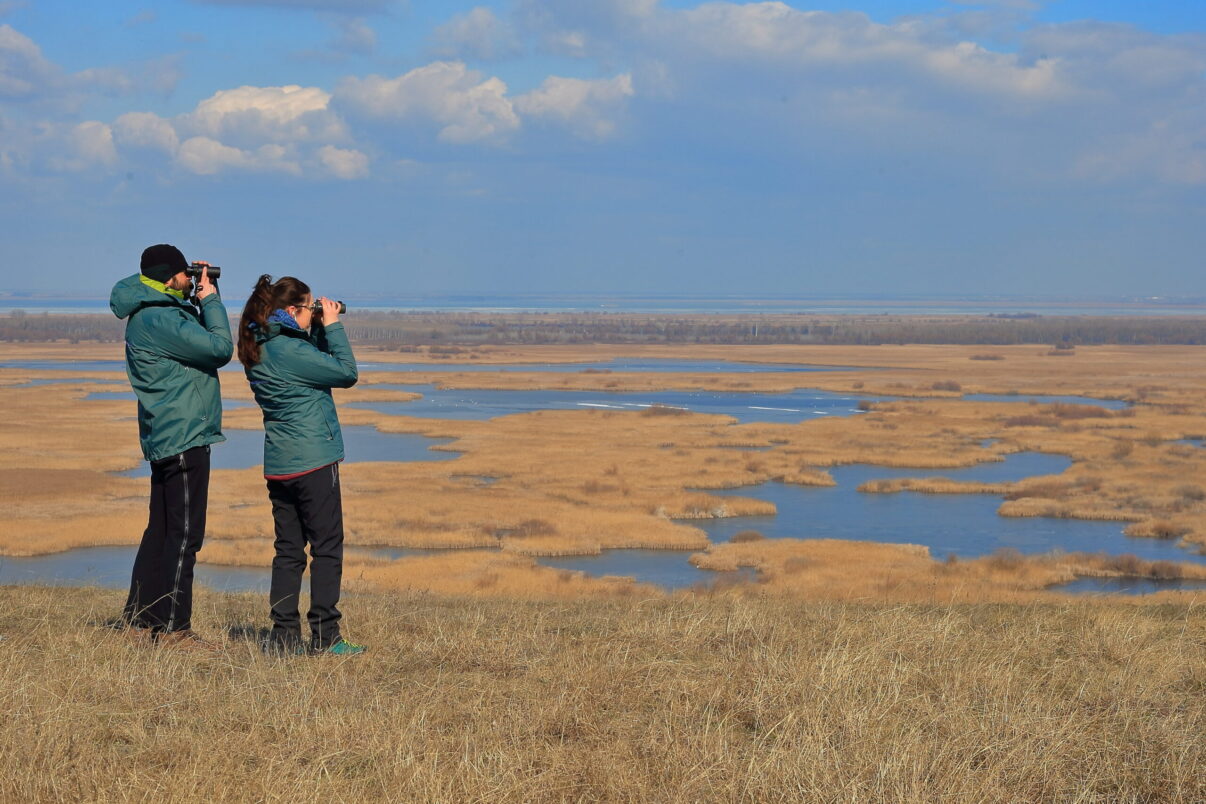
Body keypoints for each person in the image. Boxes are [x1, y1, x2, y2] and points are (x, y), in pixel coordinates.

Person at [109, 243, 232, 647]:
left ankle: (140, 620)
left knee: (161, 530)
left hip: (167, 433)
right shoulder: (161, 317)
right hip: (184, 434)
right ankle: (174, 629)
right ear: (169, 277)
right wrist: (210, 301)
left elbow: (191, 345)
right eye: (184, 274)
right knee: (183, 535)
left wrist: (194, 298)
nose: (190, 279)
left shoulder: (153, 312)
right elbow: (218, 349)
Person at [238, 274, 364, 656]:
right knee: (326, 549)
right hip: (313, 460)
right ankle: (326, 638)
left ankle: (284, 637)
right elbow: (345, 373)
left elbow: (314, 363)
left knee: (288, 551)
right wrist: (335, 325)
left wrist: (317, 326)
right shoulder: (291, 351)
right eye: (309, 308)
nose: (315, 313)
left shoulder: (261, 345)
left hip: (280, 463)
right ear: (292, 310)